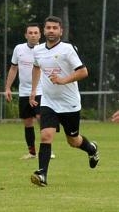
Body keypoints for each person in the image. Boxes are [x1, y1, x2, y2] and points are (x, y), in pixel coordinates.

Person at [29, 16, 99, 187]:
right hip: (49, 102)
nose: (51, 30)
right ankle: (42, 175)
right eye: (48, 28)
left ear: (61, 31)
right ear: (44, 31)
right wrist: (33, 90)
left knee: (73, 141)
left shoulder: (67, 49)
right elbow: (36, 67)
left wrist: (63, 80)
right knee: (46, 135)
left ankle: (91, 149)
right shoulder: (38, 50)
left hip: (70, 104)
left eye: (54, 28)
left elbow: (83, 72)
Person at [5, 23, 56, 160]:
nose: (33, 35)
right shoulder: (19, 49)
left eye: (35, 33)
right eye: (30, 33)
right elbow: (13, 68)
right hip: (23, 92)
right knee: (27, 122)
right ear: (26, 35)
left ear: (40, 35)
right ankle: (32, 152)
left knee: (41, 119)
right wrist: (8, 87)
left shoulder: (45, 50)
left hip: (41, 91)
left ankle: (47, 150)